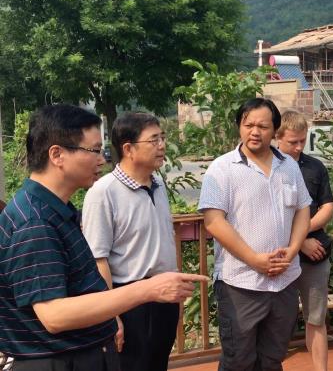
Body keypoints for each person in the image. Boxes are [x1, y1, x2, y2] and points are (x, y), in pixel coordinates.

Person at [0, 104, 206, 370]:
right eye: (94, 150)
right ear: (57, 155)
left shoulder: (52, 210)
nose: (102, 160)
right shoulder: (35, 222)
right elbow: (54, 315)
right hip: (58, 361)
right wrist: (148, 289)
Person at [199, 98, 311, 371]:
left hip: (284, 280)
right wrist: (254, 259)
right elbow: (214, 222)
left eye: (263, 126)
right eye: (248, 125)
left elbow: (302, 210)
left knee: (273, 358)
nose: (255, 132)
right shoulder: (222, 168)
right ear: (239, 126)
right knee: (239, 360)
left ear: (275, 130)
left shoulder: (289, 166)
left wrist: (293, 250)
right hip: (241, 283)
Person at [82, 112, 179, 371]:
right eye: (153, 140)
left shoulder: (157, 185)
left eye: (162, 138)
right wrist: (112, 314)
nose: (162, 146)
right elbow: (98, 259)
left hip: (164, 298)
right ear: (128, 149)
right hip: (129, 301)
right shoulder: (103, 192)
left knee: (158, 363)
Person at [276, 111, 333, 371]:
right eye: (293, 142)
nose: (299, 147)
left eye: (303, 140)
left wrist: (304, 231)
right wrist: (300, 241)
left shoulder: (315, 167)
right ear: (278, 137)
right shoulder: (269, 168)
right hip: (280, 256)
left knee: (316, 319)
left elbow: (327, 207)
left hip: (315, 254)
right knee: (277, 321)